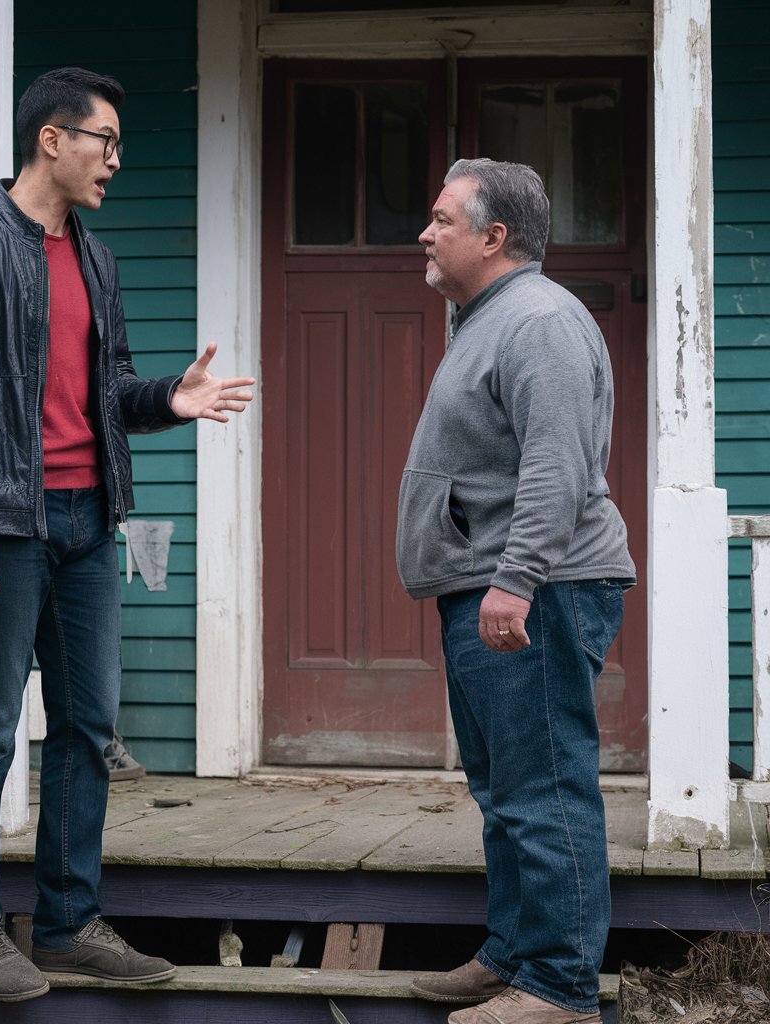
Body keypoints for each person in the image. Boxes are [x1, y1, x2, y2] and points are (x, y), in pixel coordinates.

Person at [0, 67, 254, 1003]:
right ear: (50, 138)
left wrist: (168, 400)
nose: (116, 161)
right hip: (2, 526)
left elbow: (110, 390)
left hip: (91, 520)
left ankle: (64, 922)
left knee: (88, 728)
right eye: (104, 140)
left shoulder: (95, 259)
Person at [395, 158, 635, 1024]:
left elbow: (556, 466)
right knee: (504, 792)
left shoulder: (538, 320)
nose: (425, 233)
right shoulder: (487, 319)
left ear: (494, 237)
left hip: (537, 586)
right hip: (495, 586)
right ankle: (512, 954)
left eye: (441, 219)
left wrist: (514, 580)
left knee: (545, 788)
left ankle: (561, 988)